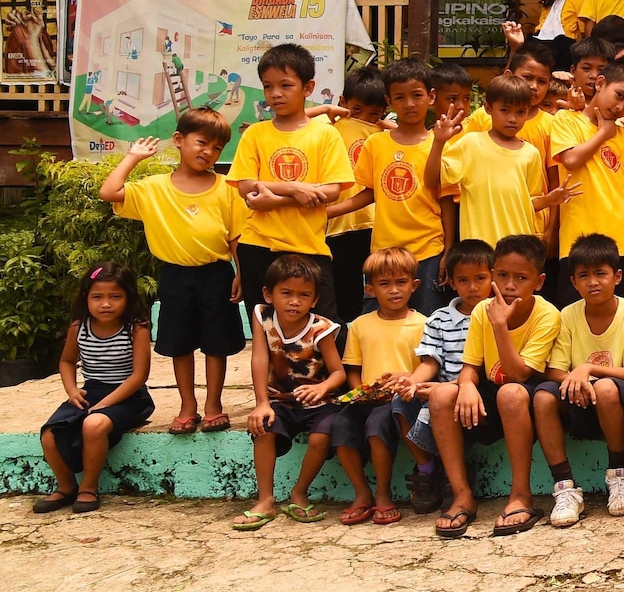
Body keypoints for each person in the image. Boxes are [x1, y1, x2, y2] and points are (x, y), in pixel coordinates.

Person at [99, 109, 246, 435]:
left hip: (217, 273)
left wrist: (241, 273)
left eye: (217, 148)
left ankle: (213, 405)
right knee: (179, 343)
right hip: (176, 276)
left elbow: (235, 235)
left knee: (216, 343)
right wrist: (133, 158)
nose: (208, 152)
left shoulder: (227, 188)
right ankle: (187, 405)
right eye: (202, 142)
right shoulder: (154, 188)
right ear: (179, 140)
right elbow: (109, 193)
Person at [429, 233, 564, 537]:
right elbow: (470, 368)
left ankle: (520, 495)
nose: (510, 285)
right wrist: (465, 387)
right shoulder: (481, 310)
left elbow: (519, 375)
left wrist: (501, 324)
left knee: (510, 392)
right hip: (491, 392)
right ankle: (462, 494)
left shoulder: (546, 314)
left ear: (539, 282)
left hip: (525, 395)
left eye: (521, 277)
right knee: (441, 394)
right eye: (502, 275)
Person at [531, 234, 624, 528]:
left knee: (606, 387)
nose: (593, 282)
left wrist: (587, 370)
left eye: (601, 273)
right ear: (573, 282)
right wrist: (577, 377)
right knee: (543, 396)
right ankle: (565, 487)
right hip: (577, 394)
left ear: (617, 276)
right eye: (584, 275)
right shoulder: (568, 315)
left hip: (615, 397)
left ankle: (619, 472)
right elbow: (553, 370)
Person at [230, 44, 352, 313]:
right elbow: (245, 186)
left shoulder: (325, 135)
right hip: (258, 246)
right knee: (266, 332)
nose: (275, 94)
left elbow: (331, 190)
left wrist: (273, 200)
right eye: (267, 86)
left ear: (308, 88)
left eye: (286, 85)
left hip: (309, 247)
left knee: (321, 331)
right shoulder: (255, 134)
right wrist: (295, 188)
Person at [234, 255, 347, 532]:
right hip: (279, 401)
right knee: (263, 427)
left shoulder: (321, 329)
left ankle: (299, 492)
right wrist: (262, 403)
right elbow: (260, 359)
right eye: (286, 293)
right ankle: (265, 500)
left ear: (315, 299)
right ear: (268, 294)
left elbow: (339, 373)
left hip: (319, 401)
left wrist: (321, 387)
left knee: (323, 435)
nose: (294, 301)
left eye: (303, 295)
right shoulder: (263, 316)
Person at [33, 264, 153, 516]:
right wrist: (72, 390)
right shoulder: (79, 328)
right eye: (97, 297)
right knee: (50, 434)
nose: (106, 304)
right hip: (91, 391)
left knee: (93, 424)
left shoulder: (136, 329)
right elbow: (66, 362)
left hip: (129, 396)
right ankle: (66, 487)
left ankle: (89, 487)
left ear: (128, 298)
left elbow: (138, 376)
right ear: (86, 298)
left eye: (115, 297)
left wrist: (104, 405)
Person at [405, 239, 493, 523]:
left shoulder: (497, 313)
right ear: (451, 283)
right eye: (463, 280)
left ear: (493, 276)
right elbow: (430, 362)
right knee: (400, 401)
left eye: (480, 278)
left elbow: (492, 368)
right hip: (444, 393)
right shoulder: (439, 319)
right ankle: (431, 472)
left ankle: (450, 476)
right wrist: (412, 382)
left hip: (483, 392)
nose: (472, 287)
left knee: (442, 395)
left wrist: (451, 387)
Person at [550, 60, 624, 303]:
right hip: (579, 235)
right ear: (600, 83)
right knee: (575, 311)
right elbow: (571, 159)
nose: (620, 107)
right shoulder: (567, 119)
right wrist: (603, 134)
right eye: (619, 96)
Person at [350, 61, 448, 313]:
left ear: (431, 96)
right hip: (383, 253)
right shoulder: (375, 143)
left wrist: (448, 251)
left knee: (426, 328)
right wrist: (329, 211)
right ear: (389, 101)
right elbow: (370, 192)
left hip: (427, 250)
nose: (410, 104)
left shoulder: (442, 144)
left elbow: (446, 200)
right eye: (400, 97)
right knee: (377, 323)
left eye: (417, 95)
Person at [345, 248, 429, 527]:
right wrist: (359, 394)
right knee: (337, 425)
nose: (394, 290)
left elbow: (427, 368)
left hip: (403, 401)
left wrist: (408, 380)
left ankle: (382, 493)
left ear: (414, 285)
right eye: (384, 284)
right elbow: (354, 370)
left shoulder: (423, 324)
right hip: (366, 399)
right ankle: (361, 492)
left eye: (401, 282)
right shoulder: (359, 325)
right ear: (370, 289)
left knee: (377, 424)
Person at [428, 73, 556, 249]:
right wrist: (439, 142)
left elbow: (529, 204)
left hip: (517, 251)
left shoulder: (531, 153)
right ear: (488, 108)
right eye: (505, 110)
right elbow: (432, 180)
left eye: (521, 112)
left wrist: (550, 199)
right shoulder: (471, 144)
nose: (513, 119)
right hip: (480, 251)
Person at [324, 67, 386, 322]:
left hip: (375, 225)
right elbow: (298, 120)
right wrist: (327, 112)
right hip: (339, 226)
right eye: (357, 109)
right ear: (343, 102)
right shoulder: (331, 129)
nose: (364, 118)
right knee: (344, 296)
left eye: (374, 113)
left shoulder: (383, 133)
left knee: (379, 293)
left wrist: (381, 122)